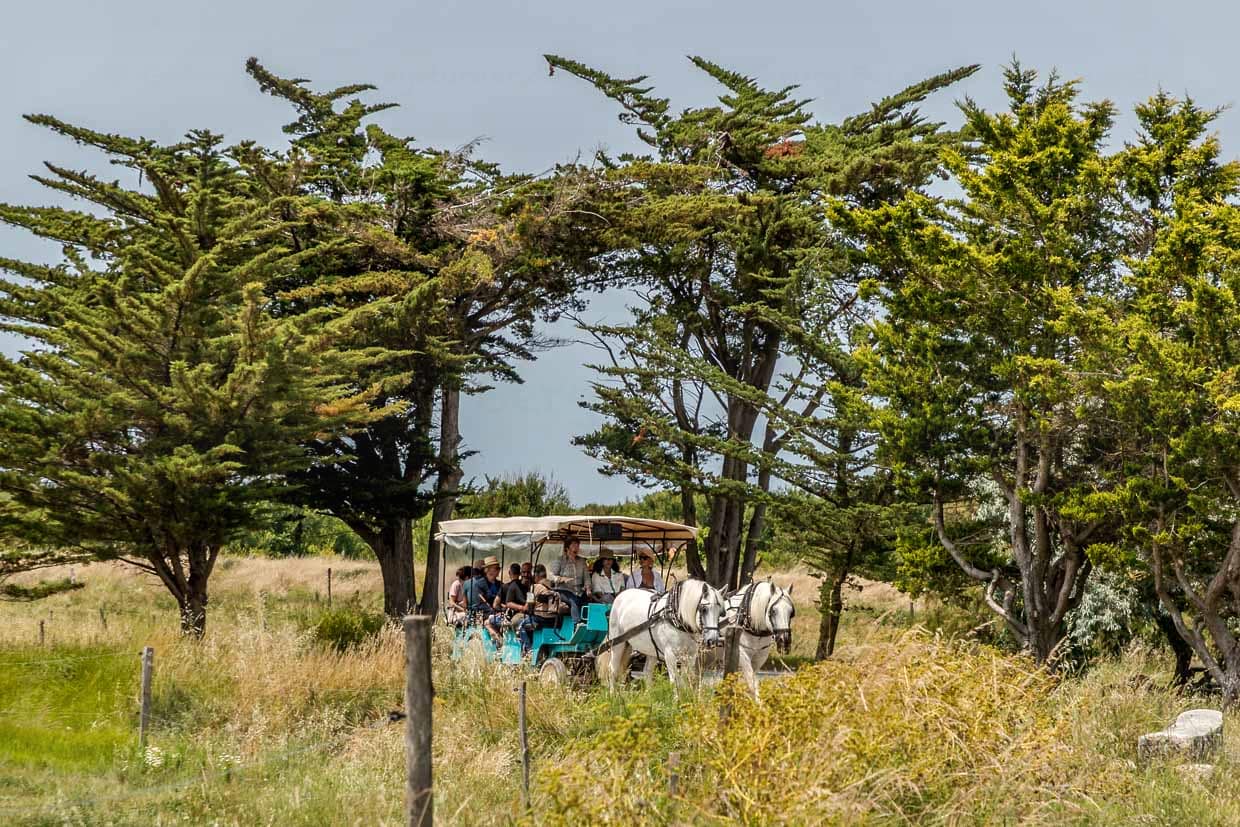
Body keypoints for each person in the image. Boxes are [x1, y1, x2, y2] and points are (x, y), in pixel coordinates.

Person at [519, 564, 561, 654]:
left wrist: (524, 609)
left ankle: (528, 650)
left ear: (536, 575)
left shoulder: (534, 587)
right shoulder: (553, 585)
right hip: (554, 620)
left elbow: (528, 607)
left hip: (540, 619)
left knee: (521, 627)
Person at [550, 538, 590, 624]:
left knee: (587, 601)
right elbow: (552, 576)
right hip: (563, 590)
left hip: (578, 590)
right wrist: (562, 579)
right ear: (567, 548)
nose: (576, 548)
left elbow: (587, 577)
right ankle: (577, 623)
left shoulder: (582, 561)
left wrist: (588, 588)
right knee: (574, 600)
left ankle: (587, 622)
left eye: (577, 546)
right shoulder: (559, 560)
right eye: (574, 545)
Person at [488, 562, 527, 644]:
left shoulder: (505, 587)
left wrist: (502, 610)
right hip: (522, 615)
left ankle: (499, 641)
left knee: (489, 621)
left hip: (510, 616)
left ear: (509, 573)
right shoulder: (524, 586)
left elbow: (495, 604)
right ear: (520, 573)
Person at [463, 556, 502, 624]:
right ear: (487, 569)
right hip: (484, 614)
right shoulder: (479, 584)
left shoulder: (500, 584)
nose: (499, 570)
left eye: (499, 568)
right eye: (496, 568)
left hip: (498, 613)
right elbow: (480, 604)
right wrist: (494, 612)